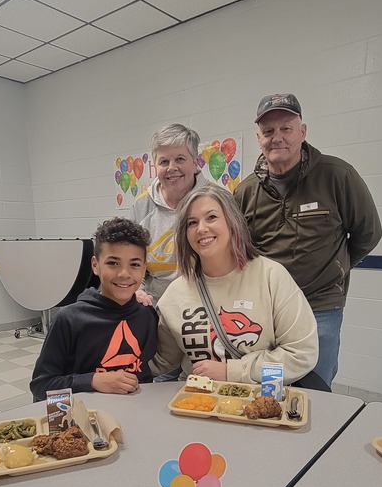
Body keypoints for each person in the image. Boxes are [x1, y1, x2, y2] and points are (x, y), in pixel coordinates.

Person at [234, 93, 382, 387]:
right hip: (268, 309)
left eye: (286, 129)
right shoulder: (245, 191)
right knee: (269, 387)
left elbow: (368, 234)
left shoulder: (337, 176)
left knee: (315, 387)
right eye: (268, 131)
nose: (277, 138)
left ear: (302, 132)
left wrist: (334, 269)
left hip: (320, 306)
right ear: (258, 138)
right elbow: (240, 250)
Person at [152, 183, 318, 384]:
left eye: (211, 217)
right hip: (196, 404)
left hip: (258, 404)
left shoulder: (271, 276)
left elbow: (301, 355)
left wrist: (233, 372)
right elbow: (161, 361)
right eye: (192, 223)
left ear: (232, 222)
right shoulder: (175, 293)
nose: (202, 229)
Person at [30, 218, 158, 400]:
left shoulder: (147, 315)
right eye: (113, 263)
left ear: (144, 268)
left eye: (135, 264)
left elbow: (147, 374)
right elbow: (41, 387)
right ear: (95, 265)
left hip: (137, 415)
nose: (124, 274)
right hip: (85, 420)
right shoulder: (69, 319)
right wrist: (93, 380)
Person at [129, 123, 206, 304]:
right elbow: (129, 258)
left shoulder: (217, 201)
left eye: (180, 159)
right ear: (155, 166)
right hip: (156, 308)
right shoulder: (142, 206)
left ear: (195, 163)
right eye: (164, 161)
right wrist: (136, 290)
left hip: (205, 309)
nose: (172, 168)